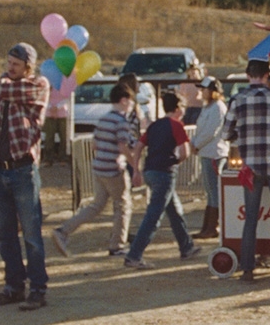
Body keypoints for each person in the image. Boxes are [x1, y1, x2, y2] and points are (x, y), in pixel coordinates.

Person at [0, 43, 50, 311]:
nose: (9, 69)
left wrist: (2, 83)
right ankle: (14, 286)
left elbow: (10, 89)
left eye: (15, 65)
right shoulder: (1, 92)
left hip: (23, 169)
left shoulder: (38, 85)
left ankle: (38, 289)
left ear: (28, 67)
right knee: (4, 235)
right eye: (8, 64)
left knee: (31, 235)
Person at [223, 59, 270, 285]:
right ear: (267, 76)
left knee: (250, 219)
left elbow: (226, 133)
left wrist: (243, 137)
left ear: (248, 75)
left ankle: (247, 269)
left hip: (251, 167)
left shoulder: (237, 100)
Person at [52, 83, 140, 258]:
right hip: (114, 169)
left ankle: (64, 230)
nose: (131, 106)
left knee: (96, 205)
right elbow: (123, 146)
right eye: (130, 103)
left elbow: (94, 145)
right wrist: (136, 167)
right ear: (124, 101)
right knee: (122, 207)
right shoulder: (121, 121)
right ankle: (117, 245)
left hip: (99, 167)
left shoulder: (104, 119)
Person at [123, 91, 202, 269]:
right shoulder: (176, 125)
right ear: (177, 108)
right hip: (165, 172)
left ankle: (186, 246)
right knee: (153, 216)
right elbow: (185, 152)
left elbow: (139, 147)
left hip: (150, 170)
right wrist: (176, 161)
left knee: (174, 210)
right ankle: (134, 255)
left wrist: (136, 169)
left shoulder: (154, 126)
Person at [190, 76, 229, 239]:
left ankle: (213, 226)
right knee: (210, 190)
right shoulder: (208, 107)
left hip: (215, 153)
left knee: (214, 190)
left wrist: (196, 144)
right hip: (206, 152)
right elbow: (201, 130)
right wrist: (194, 143)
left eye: (204, 89)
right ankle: (208, 226)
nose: (202, 91)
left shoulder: (218, 107)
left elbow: (210, 131)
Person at [41, 86, 70, 165]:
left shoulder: (65, 85)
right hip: (49, 114)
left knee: (63, 137)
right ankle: (48, 159)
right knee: (49, 137)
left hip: (62, 114)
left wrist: (57, 107)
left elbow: (67, 98)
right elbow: (43, 98)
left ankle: (62, 158)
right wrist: (51, 107)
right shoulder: (47, 85)